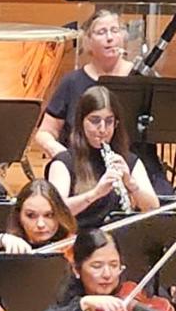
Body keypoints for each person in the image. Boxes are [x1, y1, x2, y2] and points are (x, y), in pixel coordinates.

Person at [46, 85, 159, 230]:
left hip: (118, 242)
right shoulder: (64, 162)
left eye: (109, 121)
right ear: (81, 122)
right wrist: (95, 194)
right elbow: (54, 213)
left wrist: (131, 183)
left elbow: (153, 209)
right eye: (94, 120)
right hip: (78, 242)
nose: (102, 129)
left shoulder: (129, 161)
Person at [35, 9, 134, 159]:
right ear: (88, 41)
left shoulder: (140, 78)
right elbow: (45, 133)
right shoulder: (72, 82)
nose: (109, 38)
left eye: (115, 31)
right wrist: (64, 157)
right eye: (101, 32)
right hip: (82, 164)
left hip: (132, 163)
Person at [0, 179, 76, 253]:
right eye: (31, 215)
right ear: (19, 215)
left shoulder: (73, 244)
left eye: (49, 215)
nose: (40, 224)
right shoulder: (6, 242)